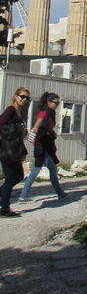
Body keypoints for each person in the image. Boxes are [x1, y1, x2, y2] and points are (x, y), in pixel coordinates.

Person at [18, 92, 67, 202]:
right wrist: (33, 132)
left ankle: (59, 193)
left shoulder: (50, 112)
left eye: (58, 103)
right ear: (48, 102)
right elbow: (38, 124)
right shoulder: (45, 112)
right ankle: (23, 195)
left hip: (46, 144)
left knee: (50, 169)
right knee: (37, 169)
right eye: (55, 103)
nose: (57, 105)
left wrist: (51, 133)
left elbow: (45, 127)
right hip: (42, 146)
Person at [0, 87, 29, 217]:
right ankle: (4, 208)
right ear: (15, 96)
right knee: (11, 177)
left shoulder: (18, 111)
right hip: (7, 150)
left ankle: (4, 200)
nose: (24, 99)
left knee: (18, 176)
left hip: (14, 150)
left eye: (27, 98)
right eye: (22, 96)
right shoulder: (11, 109)